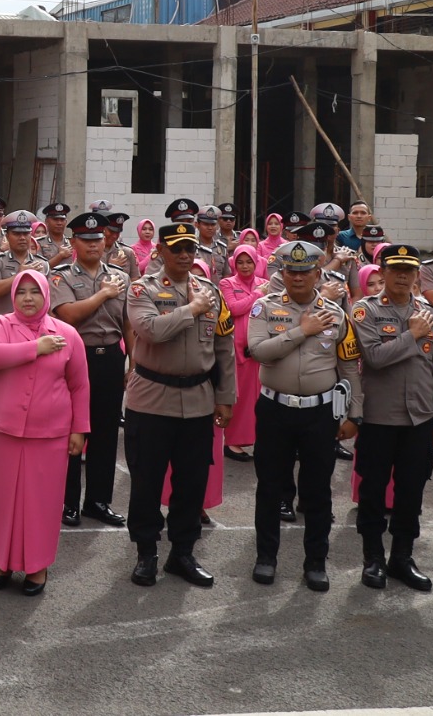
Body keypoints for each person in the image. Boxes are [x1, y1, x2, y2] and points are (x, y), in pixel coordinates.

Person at [124, 222, 236, 588]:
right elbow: (150, 331)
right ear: (160, 251)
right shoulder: (143, 289)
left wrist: (225, 397)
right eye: (178, 249)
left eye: (190, 248)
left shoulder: (210, 291)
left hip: (199, 401)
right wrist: (190, 309)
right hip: (153, 400)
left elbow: (223, 348)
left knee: (191, 484)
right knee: (147, 482)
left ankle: (182, 553)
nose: (186, 255)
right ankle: (146, 553)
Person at [246, 239, 361, 591]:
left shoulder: (336, 313)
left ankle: (315, 562)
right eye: (291, 270)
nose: (298, 277)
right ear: (283, 272)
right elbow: (259, 351)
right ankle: (266, 557)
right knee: (269, 487)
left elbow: (349, 367)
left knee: (317, 491)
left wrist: (353, 414)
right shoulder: (264, 308)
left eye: (306, 271)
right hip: (275, 409)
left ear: (317, 273)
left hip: (319, 413)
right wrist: (302, 331)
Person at [349, 243, 433, 592]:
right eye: (396, 270)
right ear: (383, 272)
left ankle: (402, 557)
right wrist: (412, 335)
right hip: (380, 418)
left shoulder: (430, 313)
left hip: (419, 419)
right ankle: (373, 557)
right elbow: (375, 358)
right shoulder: (366, 311)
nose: (404, 276)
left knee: (411, 493)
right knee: (374, 491)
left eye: (410, 270)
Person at [0, 270, 89, 594]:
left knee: (42, 501)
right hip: (5, 430)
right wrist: (36, 348)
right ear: (13, 295)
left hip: (51, 433)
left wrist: (79, 430)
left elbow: (80, 386)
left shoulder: (67, 334)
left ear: (46, 295)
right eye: (22, 292)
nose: (28, 298)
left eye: (35, 292)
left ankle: (37, 566)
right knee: (3, 499)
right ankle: (3, 561)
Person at [48, 213, 128, 529]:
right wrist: (103, 294)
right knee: (71, 431)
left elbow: (129, 323)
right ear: (74, 243)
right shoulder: (61, 276)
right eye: (86, 240)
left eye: (98, 239)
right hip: (74, 360)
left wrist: (133, 362)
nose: (94, 245)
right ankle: (68, 502)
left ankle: (97, 501)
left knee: (106, 433)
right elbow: (67, 316)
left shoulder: (120, 276)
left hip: (109, 359)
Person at [222, 244, 267, 462]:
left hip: (263, 349)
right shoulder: (227, 283)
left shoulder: (265, 283)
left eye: (249, 261)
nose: (245, 266)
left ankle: (257, 439)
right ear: (234, 264)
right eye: (240, 262)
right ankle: (232, 442)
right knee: (240, 398)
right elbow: (233, 308)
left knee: (260, 398)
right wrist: (258, 295)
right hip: (239, 351)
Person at [36, 203, 74, 268]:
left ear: (66, 222)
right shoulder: (38, 243)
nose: (59, 223)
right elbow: (39, 268)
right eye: (55, 220)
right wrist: (60, 256)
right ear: (46, 221)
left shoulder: (72, 243)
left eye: (62, 220)